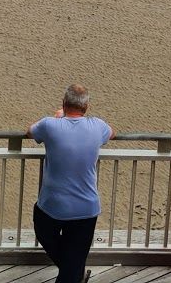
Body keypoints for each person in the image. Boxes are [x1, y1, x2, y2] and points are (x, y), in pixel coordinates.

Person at [27, 85, 112, 283]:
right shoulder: (98, 126)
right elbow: (112, 133)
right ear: (87, 107)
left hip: (52, 207)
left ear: (64, 104)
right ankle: (74, 269)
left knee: (44, 233)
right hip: (87, 208)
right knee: (74, 260)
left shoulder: (49, 125)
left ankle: (74, 270)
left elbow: (30, 132)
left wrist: (59, 118)